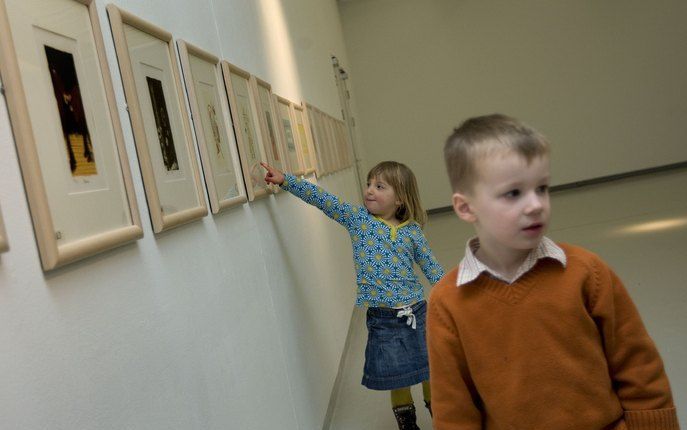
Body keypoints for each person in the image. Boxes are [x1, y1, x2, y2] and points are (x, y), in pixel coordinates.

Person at [427, 113, 679, 429]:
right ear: (465, 207)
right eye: (513, 193)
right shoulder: (448, 302)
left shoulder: (587, 272)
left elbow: (638, 365)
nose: (536, 205)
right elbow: (454, 406)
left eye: (542, 188)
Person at [262, 161, 445, 430]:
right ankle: (408, 424)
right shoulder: (358, 220)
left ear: (400, 198)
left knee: (430, 368)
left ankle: (442, 416)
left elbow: (432, 267)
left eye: (379, 186)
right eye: (369, 183)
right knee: (399, 376)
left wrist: (455, 296)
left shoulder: (412, 232)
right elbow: (324, 200)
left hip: (417, 312)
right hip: (384, 319)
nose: (369, 190)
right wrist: (286, 180)